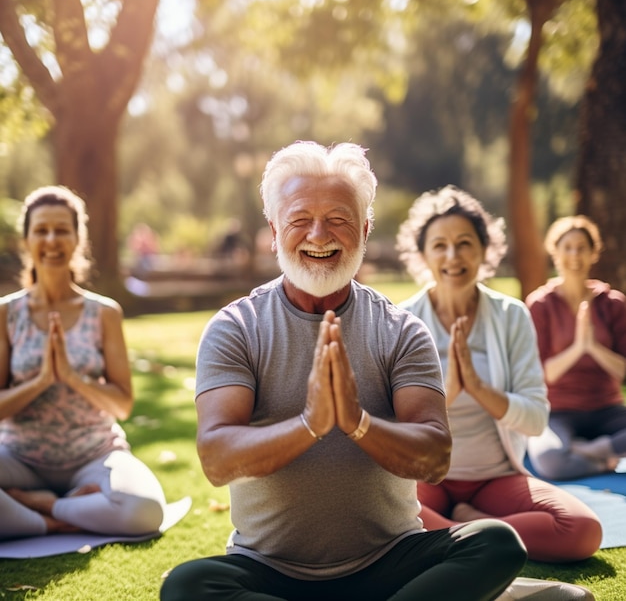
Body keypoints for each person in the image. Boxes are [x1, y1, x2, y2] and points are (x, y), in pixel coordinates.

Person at [160, 141, 528, 601]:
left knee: (495, 544)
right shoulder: (236, 327)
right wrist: (310, 425)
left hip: (392, 561)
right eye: (299, 220)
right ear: (274, 231)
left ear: (365, 229)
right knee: (188, 587)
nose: (319, 235)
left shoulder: (400, 330)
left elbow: (434, 457)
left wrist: (358, 422)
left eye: (338, 219)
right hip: (270, 571)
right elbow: (217, 459)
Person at [396, 186, 602, 564]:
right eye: (439, 245)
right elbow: (392, 425)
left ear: (484, 250)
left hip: (494, 477)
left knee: (583, 530)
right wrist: (450, 393)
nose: (453, 256)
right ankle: (485, 535)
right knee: (383, 515)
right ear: (423, 255)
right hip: (425, 480)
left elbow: (537, 417)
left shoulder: (511, 316)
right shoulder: (401, 322)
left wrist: (477, 387)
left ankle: (466, 530)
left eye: (464, 243)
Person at [0, 186, 166, 539]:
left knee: (146, 511)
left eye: (62, 230)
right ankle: (51, 521)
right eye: (41, 230)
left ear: (78, 238)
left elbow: (122, 404)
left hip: (95, 455)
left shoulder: (104, 313)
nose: (51, 239)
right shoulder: (6, 314)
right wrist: (42, 380)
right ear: (26, 240)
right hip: (18, 459)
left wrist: (74, 379)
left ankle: (44, 506)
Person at [526, 215, 626, 480]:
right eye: (567, 247)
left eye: (582, 247)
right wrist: (579, 347)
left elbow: (622, 371)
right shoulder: (540, 305)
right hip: (558, 411)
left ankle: (590, 450)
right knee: (550, 461)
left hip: (607, 409)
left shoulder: (613, 304)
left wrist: (593, 346)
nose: (575, 254)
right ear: (555, 253)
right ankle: (604, 459)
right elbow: (545, 373)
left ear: (594, 253)